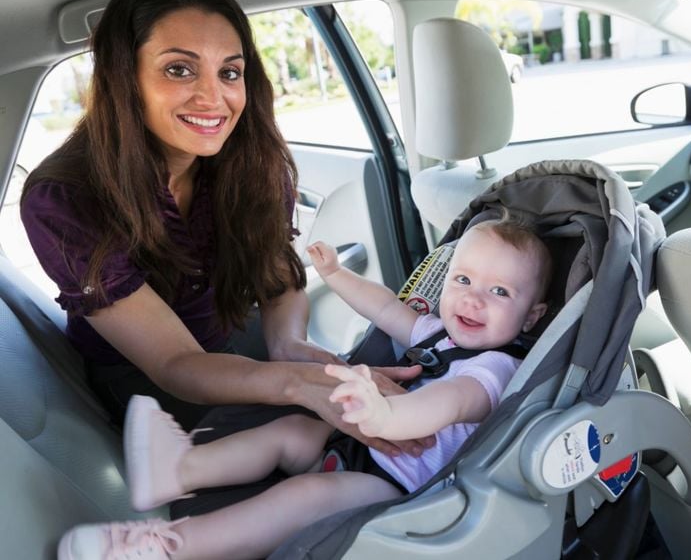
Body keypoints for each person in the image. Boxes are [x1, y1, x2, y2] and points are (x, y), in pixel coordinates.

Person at [19, 0, 418, 447]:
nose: (214, 97)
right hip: (148, 389)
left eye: (229, 71)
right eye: (179, 69)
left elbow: (278, 283)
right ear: (126, 79)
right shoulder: (64, 199)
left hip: (230, 346)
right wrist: (295, 384)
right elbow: (174, 365)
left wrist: (288, 344)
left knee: (394, 403)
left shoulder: (253, 163)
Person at [57, 217, 553, 560]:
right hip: (361, 444)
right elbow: (386, 310)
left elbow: (449, 402)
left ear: (532, 316)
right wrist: (336, 276)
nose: (472, 299)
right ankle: (181, 466)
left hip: (405, 488)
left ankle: (169, 546)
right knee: (293, 430)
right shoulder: (438, 333)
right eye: (463, 279)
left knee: (310, 494)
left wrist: (384, 418)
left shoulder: (497, 368)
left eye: (500, 292)